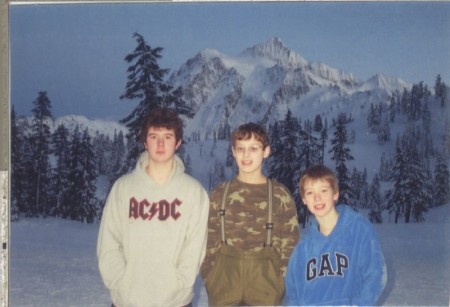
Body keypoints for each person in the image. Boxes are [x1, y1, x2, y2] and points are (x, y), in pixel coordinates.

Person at [97, 108, 209, 307]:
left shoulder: (194, 193)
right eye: (153, 136)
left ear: (178, 142)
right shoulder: (123, 188)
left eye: (167, 136)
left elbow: (195, 248)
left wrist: (179, 284)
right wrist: (119, 283)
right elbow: (108, 241)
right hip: (127, 301)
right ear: (144, 142)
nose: (160, 143)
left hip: (176, 302)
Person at [201, 122, 300, 306]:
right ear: (233, 151)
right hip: (224, 283)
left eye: (254, 148)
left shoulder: (279, 195)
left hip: (265, 285)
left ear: (266, 151)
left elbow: (290, 247)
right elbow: (208, 240)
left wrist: (280, 284)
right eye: (241, 148)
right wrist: (210, 277)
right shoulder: (219, 193)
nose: (246, 155)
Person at [285, 164, 386, 306]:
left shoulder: (358, 230)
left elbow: (377, 275)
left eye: (324, 191)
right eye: (310, 193)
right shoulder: (303, 249)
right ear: (304, 199)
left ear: (335, 193)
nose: (317, 198)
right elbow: (293, 293)